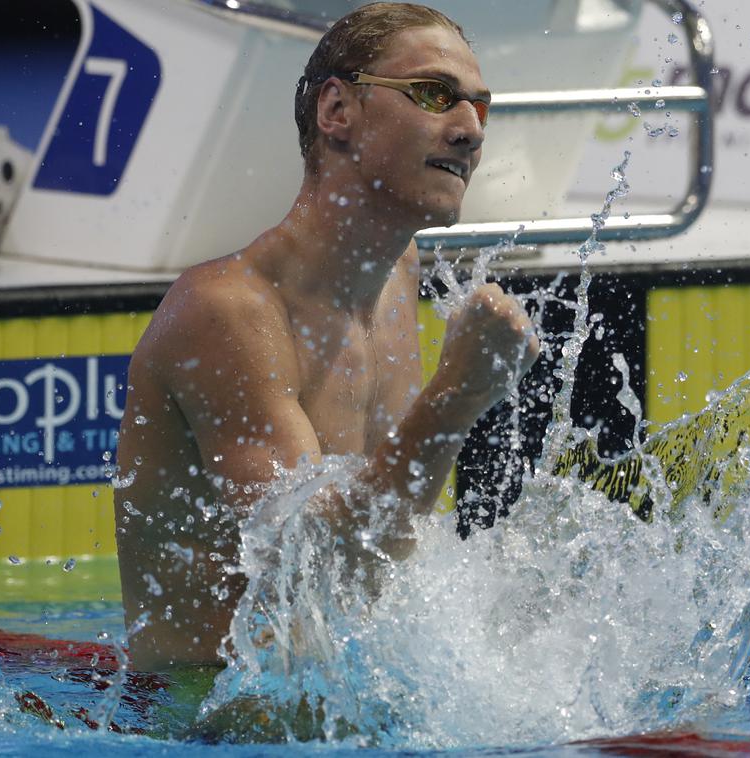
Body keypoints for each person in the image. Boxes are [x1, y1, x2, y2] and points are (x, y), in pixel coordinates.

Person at [114, 2, 540, 671]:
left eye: (480, 107)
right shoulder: (226, 314)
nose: (467, 130)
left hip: (328, 706)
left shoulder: (398, 273)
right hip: (205, 726)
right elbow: (314, 582)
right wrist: (455, 398)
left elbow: (385, 573)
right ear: (336, 111)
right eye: (435, 95)